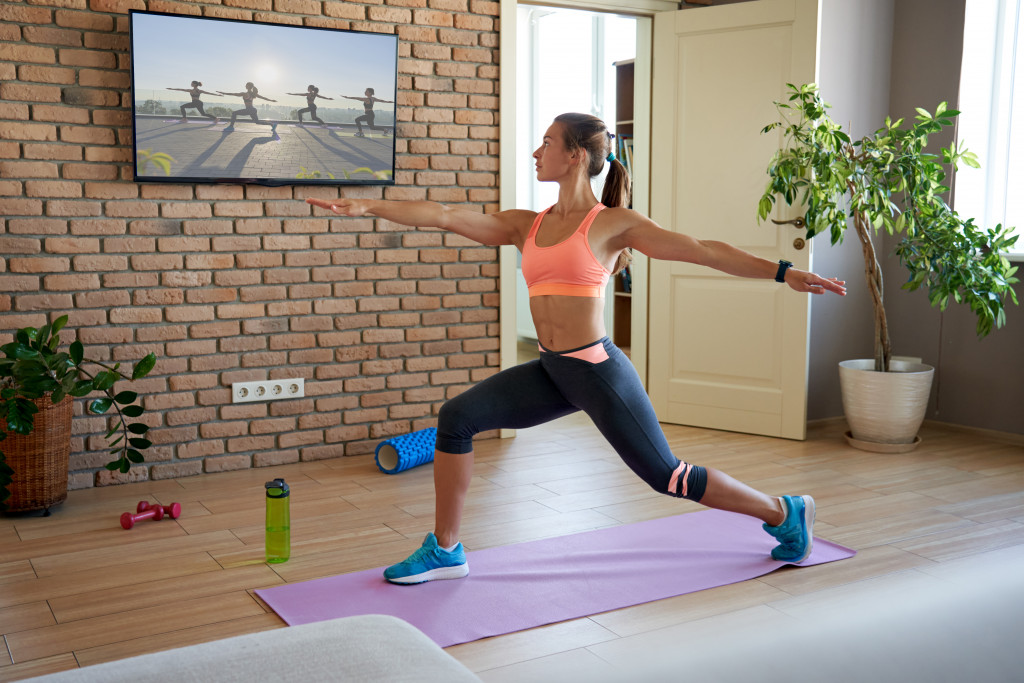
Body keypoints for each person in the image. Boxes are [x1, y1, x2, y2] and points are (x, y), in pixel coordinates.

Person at [307, 112, 847, 586]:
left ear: (575, 155)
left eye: (546, 142)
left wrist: (784, 272)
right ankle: (446, 550)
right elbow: (445, 215)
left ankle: (784, 512)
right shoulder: (528, 225)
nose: (537, 152)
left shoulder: (612, 225)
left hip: (597, 370)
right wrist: (369, 206)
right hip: (552, 369)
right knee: (458, 418)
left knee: (668, 477)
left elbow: (703, 251)